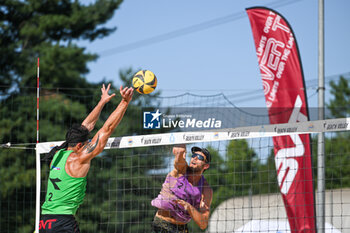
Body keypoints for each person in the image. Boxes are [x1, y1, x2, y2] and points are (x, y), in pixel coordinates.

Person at [39, 84, 133, 233]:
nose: (89, 143)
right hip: (63, 222)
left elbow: (85, 127)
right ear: (79, 147)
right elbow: (106, 129)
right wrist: (125, 102)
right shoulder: (80, 158)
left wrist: (102, 102)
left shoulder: (58, 154)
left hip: (44, 222)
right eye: (86, 143)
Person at [151, 144, 213, 233]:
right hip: (162, 224)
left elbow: (203, 224)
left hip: (182, 229)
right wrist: (180, 149)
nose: (194, 158)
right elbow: (179, 159)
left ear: (206, 166)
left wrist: (189, 207)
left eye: (199, 157)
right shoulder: (181, 170)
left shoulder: (205, 189)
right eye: (194, 155)